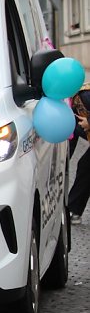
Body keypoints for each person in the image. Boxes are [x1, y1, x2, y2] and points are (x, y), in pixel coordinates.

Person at [68, 85, 90, 224]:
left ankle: (73, 209)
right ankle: (74, 210)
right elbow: (72, 135)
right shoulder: (74, 103)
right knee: (86, 166)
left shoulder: (85, 97)